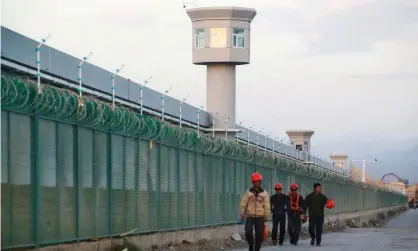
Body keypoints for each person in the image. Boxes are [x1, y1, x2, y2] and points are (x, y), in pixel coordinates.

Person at [240, 173, 270, 251]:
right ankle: (250, 244)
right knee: (248, 232)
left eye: (258, 181)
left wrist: (266, 215)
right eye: (255, 181)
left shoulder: (264, 193)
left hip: (260, 216)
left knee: (259, 235)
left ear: (260, 182)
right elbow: (243, 203)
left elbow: (267, 205)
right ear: (253, 182)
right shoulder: (248, 193)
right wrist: (242, 212)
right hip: (250, 216)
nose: (257, 183)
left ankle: (256, 249)